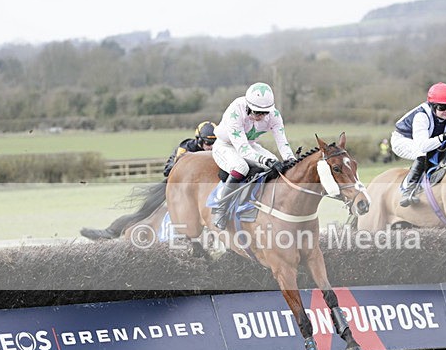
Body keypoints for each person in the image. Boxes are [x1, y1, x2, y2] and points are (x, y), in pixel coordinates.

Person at [79, 120, 217, 241]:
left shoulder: (219, 148)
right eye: (207, 142)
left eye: (214, 142)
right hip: (176, 185)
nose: (211, 146)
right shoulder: (186, 148)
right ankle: (110, 232)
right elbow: (169, 171)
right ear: (199, 140)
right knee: (144, 212)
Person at [211, 82, 296, 229]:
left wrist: (292, 160)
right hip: (226, 145)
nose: (261, 116)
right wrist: (266, 161)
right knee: (241, 167)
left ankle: (257, 205)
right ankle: (221, 208)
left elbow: (282, 142)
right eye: (257, 112)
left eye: (265, 113)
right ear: (248, 106)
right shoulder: (235, 110)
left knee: (276, 164)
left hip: (250, 145)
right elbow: (243, 150)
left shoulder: (274, 115)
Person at [391, 82, 446, 207]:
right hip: (402, 140)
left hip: (426, 140)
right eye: (442, 108)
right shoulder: (421, 116)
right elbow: (423, 146)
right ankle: (408, 189)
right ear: (432, 106)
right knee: (423, 154)